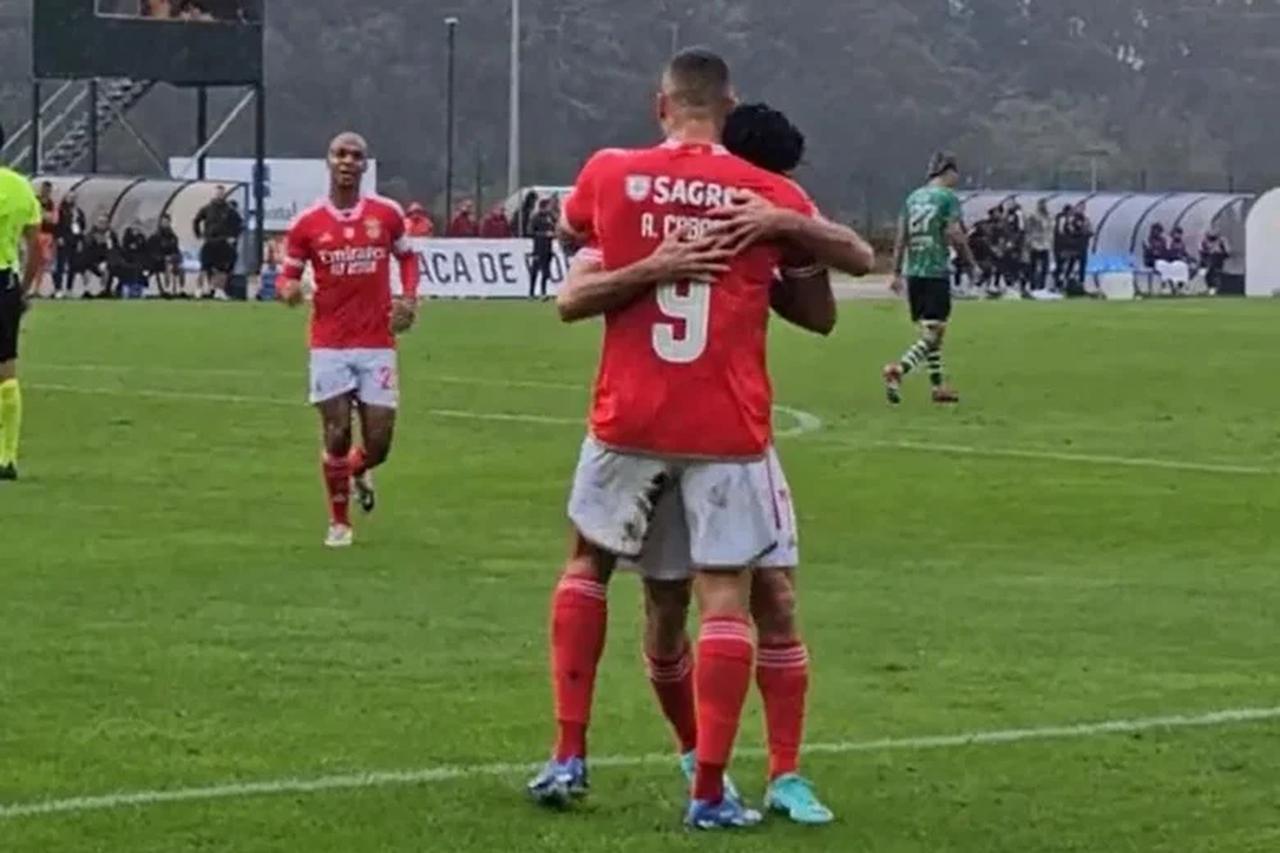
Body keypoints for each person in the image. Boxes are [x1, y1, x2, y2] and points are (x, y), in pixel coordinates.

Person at [527, 48, 873, 830]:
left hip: (629, 414)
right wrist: (783, 220)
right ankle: (707, 786)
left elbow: (571, 230)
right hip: (725, 423)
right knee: (727, 597)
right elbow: (852, 261)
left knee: (591, 566)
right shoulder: (766, 190)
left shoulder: (612, 171)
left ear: (662, 104)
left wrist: (648, 248)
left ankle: (569, 753)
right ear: (730, 104)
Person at [623, 101, 850, 826]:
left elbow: (817, 312)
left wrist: (787, 237)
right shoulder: (662, 200)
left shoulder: (764, 213)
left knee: (772, 598)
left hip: (734, 433)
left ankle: (784, 772)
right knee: (667, 606)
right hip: (654, 431)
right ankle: (699, 757)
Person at [276, 132, 421, 549]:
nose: (347, 161)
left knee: (378, 444)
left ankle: (359, 470)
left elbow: (408, 257)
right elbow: (288, 274)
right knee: (336, 433)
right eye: (340, 154)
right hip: (329, 344)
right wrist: (287, 290)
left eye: (355, 156)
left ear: (364, 165)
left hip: (377, 342)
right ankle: (339, 524)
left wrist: (408, 299)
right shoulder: (307, 224)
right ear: (328, 161)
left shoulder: (386, 214)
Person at [884, 152, 976, 405]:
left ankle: (938, 387)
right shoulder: (947, 198)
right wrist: (970, 262)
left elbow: (901, 235)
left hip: (915, 272)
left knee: (931, 332)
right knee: (935, 333)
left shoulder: (913, 198)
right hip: (935, 270)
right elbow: (954, 232)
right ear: (949, 172)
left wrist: (896, 271)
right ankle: (899, 369)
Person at [0, 124, 43, 481]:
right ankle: (7, 456)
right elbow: (37, 246)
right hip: (4, 283)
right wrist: (25, 288)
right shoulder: (18, 186)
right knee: (6, 369)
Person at [193, 186, 240, 300]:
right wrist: (198, 235)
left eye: (221, 193)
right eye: (217, 193)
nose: (219, 195)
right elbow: (196, 220)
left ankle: (219, 290)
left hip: (223, 241)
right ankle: (199, 289)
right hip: (209, 241)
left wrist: (233, 237)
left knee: (223, 269)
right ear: (214, 194)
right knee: (204, 267)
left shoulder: (229, 210)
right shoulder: (207, 208)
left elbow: (238, 224)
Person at [53, 192, 86, 298]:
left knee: (73, 265)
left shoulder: (78, 212)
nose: (72, 199)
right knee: (60, 266)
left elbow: (82, 226)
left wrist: (80, 240)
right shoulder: (61, 210)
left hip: (74, 240)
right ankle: (58, 289)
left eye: (74, 197)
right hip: (64, 239)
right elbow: (57, 225)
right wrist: (58, 237)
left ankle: (69, 288)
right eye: (70, 197)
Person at [147, 214, 183, 298]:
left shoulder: (173, 237)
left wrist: (177, 256)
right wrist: (163, 258)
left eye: (167, 222)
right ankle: (167, 288)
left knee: (180, 267)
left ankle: (179, 289)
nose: (165, 223)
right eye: (164, 222)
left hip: (171, 260)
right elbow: (152, 252)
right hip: (157, 261)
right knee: (168, 264)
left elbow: (176, 250)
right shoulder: (155, 237)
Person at [527, 198, 556, 299]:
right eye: (549, 206)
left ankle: (543, 292)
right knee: (535, 270)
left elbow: (555, 228)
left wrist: (554, 234)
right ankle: (531, 292)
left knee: (546, 271)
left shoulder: (550, 217)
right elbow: (530, 232)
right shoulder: (535, 218)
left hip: (548, 248)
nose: (550, 208)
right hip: (538, 248)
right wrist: (544, 234)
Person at [1025, 199, 1052, 293]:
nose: (1044, 206)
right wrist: (1029, 242)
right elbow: (1028, 230)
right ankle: (1033, 287)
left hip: (1045, 245)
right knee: (1033, 267)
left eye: (1044, 204)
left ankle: (1042, 287)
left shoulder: (1048, 216)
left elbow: (1049, 231)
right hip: (1035, 244)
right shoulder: (1033, 216)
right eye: (1042, 204)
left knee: (1045, 267)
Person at [1199, 228, 1230, 295]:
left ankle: (1215, 289)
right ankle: (1208, 289)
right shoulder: (1204, 241)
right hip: (1206, 263)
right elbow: (1201, 252)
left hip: (1217, 263)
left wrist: (1219, 253)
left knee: (1216, 275)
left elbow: (1227, 253)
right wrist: (1208, 253)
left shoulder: (1221, 241)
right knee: (1206, 275)